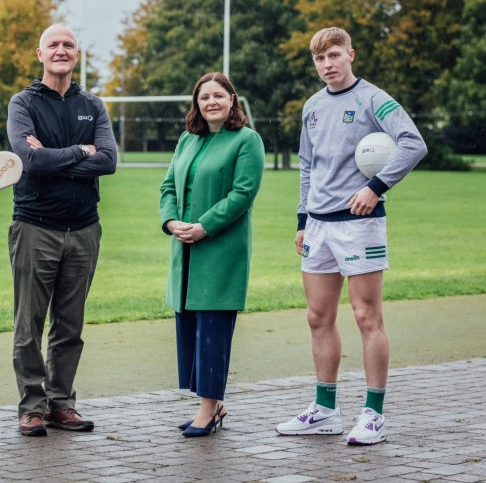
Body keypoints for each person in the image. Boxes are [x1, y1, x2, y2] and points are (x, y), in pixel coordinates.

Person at [275, 27, 427, 445]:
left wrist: (376, 188)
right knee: (317, 317)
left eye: (335, 55)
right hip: (319, 225)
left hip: (360, 223)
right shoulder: (312, 106)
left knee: (366, 317)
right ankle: (324, 410)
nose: (328, 65)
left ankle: (374, 415)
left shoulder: (373, 98)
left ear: (351, 55)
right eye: (320, 59)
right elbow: (307, 165)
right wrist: (303, 220)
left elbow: (413, 143)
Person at [6, 23, 117, 437]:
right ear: (40, 53)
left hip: (85, 228)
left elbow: (108, 161)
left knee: (70, 325)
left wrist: (55, 157)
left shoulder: (93, 105)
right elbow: (28, 162)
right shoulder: (23, 103)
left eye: (68, 44)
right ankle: (32, 406)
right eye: (53, 44)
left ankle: (61, 404)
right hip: (36, 226)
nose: (61, 50)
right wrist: (79, 151)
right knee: (29, 325)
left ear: (77, 54)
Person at [159, 72, 265, 438]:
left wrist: (204, 225)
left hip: (220, 249)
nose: (211, 103)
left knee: (213, 329)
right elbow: (169, 185)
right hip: (185, 248)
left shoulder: (247, 140)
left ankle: (208, 410)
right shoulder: (188, 139)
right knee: (190, 326)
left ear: (232, 100)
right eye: (204, 97)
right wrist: (171, 220)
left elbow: (242, 194)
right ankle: (211, 405)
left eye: (219, 95)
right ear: (197, 104)